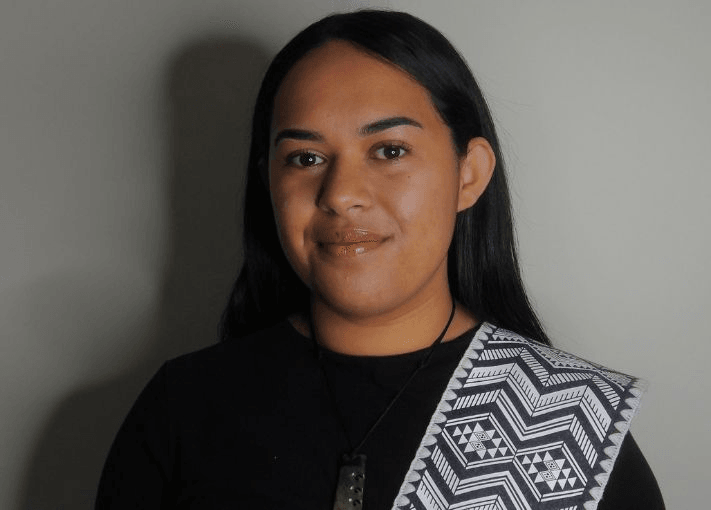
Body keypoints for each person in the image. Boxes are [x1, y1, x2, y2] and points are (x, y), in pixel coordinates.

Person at [96, 10, 664, 510]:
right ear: (267, 181)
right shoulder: (185, 409)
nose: (342, 193)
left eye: (389, 151)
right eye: (306, 157)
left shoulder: (569, 428)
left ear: (469, 174)